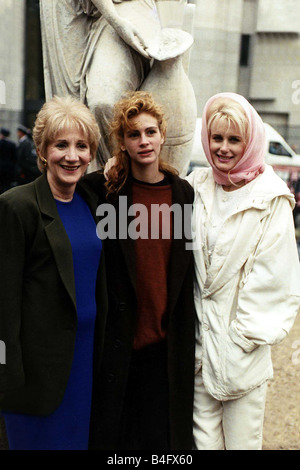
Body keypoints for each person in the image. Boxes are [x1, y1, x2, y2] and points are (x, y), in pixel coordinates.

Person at [186, 92, 300, 450]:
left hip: (241, 353)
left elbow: (274, 275)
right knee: (201, 444)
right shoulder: (195, 186)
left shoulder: (271, 197)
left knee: (242, 445)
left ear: (250, 141)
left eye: (234, 139)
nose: (223, 148)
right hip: (198, 348)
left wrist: (243, 338)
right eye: (216, 138)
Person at [84, 91, 196, 450]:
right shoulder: (105, 192)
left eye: (150, 132)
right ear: (123, 142)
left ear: (163, 134)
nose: (144, 141)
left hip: (166, 351)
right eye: (134, 134)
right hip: (119, 348)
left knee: (162, 445)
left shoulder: (184, 195)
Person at [0, 95, 107, 450]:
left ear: (91, 153)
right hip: (34, 370)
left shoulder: (93, 203)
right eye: (61, 145)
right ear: (43, 150)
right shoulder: (17, 206)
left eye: (81, 146)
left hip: (84, 361)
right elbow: (4, 298)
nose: (72, 156)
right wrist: (7, 374)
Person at [39, 0, 197, 175]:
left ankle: (121, 175)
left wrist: (116, 20)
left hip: (126, 10)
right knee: (72, 105)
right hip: (74, 9)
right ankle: (95, 179)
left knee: (104, 102)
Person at [0, 127, 17, 193]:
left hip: (0, 168)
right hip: (9, 169)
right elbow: (15, 158)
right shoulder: (12, 145)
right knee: (7, 185)